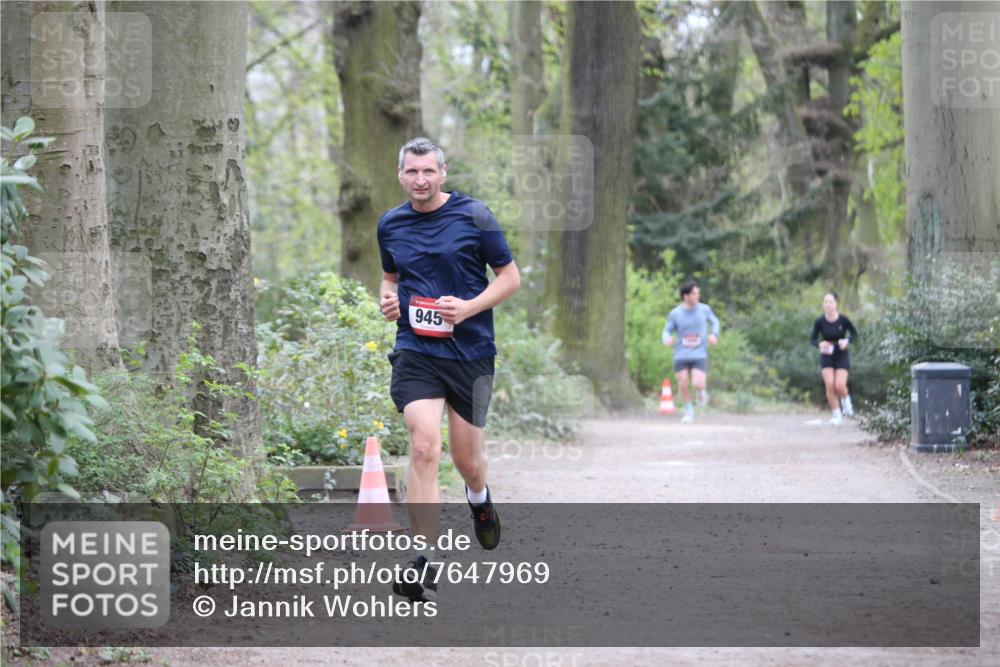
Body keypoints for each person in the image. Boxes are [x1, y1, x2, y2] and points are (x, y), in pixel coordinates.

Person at [377, 137, 521, 602]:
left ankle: (479, 500)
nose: (420, 180)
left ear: (443, 173)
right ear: (400, 176)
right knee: (423, 446)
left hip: (471, 353)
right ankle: (423, 560)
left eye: (428, 172)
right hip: (417, 351)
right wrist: (385, 297)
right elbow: (390, 277)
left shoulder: (474, 216)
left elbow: (510, 278)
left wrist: (469, 307)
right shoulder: (390, 224)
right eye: (411, 172)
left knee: (468, 462)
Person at [662, 281, 720, 423]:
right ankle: (688, 412)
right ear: (686, 296)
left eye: (698, 293)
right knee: (683, 383)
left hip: (699, 353)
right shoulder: (675, 313)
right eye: (694, 293)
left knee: (698, 383)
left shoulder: (705, 309)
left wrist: (714, 334)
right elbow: (667, 329)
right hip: (681, 353)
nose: (698, 295)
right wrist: (667, 338)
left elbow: (715, 322)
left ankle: (701, 392)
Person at [810, 291, 859, 426]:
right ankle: (837, 415)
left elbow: (854, 334)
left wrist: (847, 341)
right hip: (827, 355)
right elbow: (812, 340)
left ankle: (847, 406)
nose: (828, 304)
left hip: (841, 354)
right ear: (823, 304)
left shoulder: (843, 319)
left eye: (831, 301)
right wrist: (820, 344)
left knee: (840, 385)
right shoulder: (819, 321)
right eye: (825, 302)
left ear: (836, 304)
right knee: (830, 385)